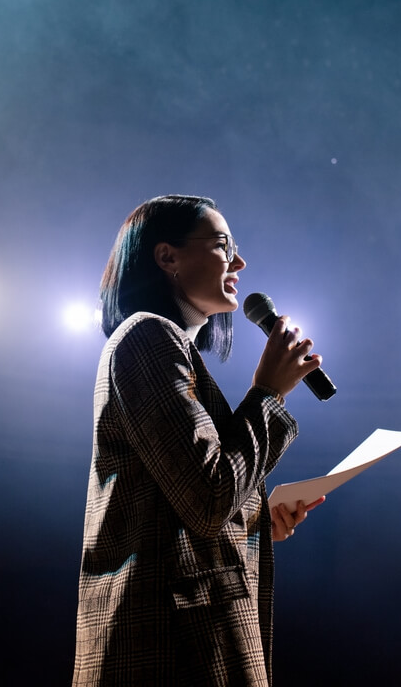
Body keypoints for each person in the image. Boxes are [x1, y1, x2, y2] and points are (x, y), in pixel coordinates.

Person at [73, 195, 325, 686]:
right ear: (167, 257)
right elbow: (207, 495)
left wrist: (254, 517)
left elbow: (189, 500)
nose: (240, 261)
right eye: (222, 244)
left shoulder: (169, 348)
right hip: (167, 652)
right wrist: (268, 393)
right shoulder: (146, 336)